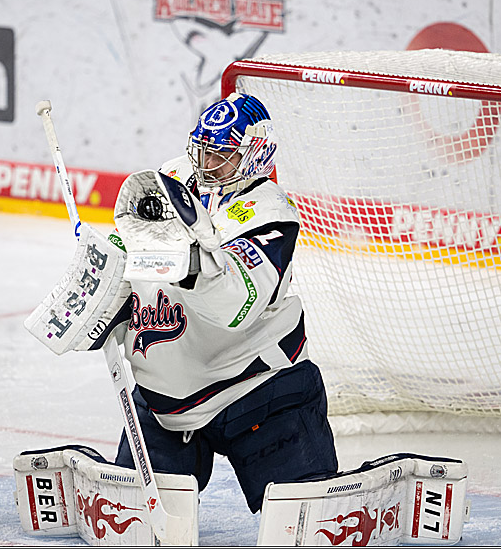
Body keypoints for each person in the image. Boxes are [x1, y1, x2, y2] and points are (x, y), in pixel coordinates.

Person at [111, 93, 339, 513]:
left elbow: (235, 305)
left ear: (254, 156)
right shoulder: (172, 178)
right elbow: (127, 242)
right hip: (170, 397)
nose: (207, 165)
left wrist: (189, 263)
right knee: (134, 519)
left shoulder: (270, 214)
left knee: (305, 519)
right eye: (203, 150)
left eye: (223, 156)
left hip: (254, 389)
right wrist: (103, 293)